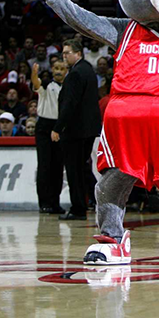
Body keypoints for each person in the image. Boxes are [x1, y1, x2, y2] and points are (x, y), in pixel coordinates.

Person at [54, 39, 102, 221]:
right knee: (83, 168)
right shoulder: (88, 69)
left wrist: (58, 127)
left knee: (74, 170)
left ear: (78, 53)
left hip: (75, 130)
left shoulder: (75, 74)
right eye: (63, 53)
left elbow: (70, 104)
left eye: (67, 53)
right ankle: (93, 200)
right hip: (88, 129)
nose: (64, 56)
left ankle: (78, 208)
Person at [32, 60, 68, 214]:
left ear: (66, 71)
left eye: (62, 69)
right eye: (56, 68)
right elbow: (36, 83)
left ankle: (55, 202)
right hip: (44, 127)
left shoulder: (68, 87)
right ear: (52, 70)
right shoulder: (47, 84)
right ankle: (44, 202)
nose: (59, 71)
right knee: (45, 166)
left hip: (60, 127)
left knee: (58, 167)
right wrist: (34, 73)